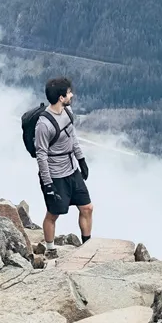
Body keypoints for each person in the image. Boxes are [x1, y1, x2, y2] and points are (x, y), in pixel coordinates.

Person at [36, 76, 93, 256]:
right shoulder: (44, 125)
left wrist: (81, 160)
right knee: (53, 214)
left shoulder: (67, 112)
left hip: (72, 169)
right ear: (61, 97)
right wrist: (48, 184)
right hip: (55, 175)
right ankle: (50, 249)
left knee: (87, 208)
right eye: (68, 93)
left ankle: (87, 245)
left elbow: (72, 137)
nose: (71, 95)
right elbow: (41, 155)